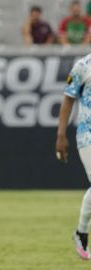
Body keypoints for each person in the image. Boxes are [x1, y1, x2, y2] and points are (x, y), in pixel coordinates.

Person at [56, 53, 91, 260]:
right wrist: (61, 134)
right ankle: (81, 233)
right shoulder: (83, 65)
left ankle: (80, 232)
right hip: (88, 135)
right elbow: (68, 99)